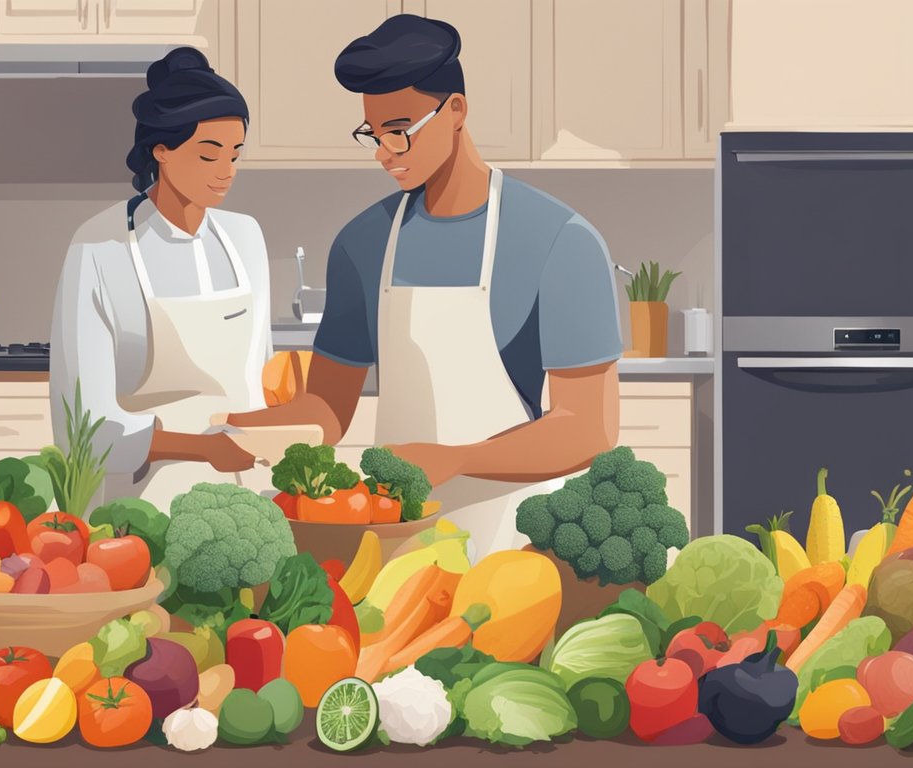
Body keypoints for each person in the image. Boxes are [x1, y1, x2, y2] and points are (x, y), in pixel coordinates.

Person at [228, 15, 622, 553]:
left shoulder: (560, 240)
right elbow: (329, 410)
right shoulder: (361, 245)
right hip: (393, 543)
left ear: (455, 110)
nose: (383, 151)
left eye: (399, 131)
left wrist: (457, 459)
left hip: (510, 543)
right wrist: (234, 425)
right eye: (373, 133)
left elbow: (588, 429)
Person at [50, 47, 271, 513]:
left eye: (235, 154)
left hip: (242, 497)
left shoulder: (246, 237)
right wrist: (204, 448)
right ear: (162, 151)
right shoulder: (98, 246)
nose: (227, 172)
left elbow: (260, 381)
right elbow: (83, 427)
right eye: (209, 154)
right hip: (137, 508)